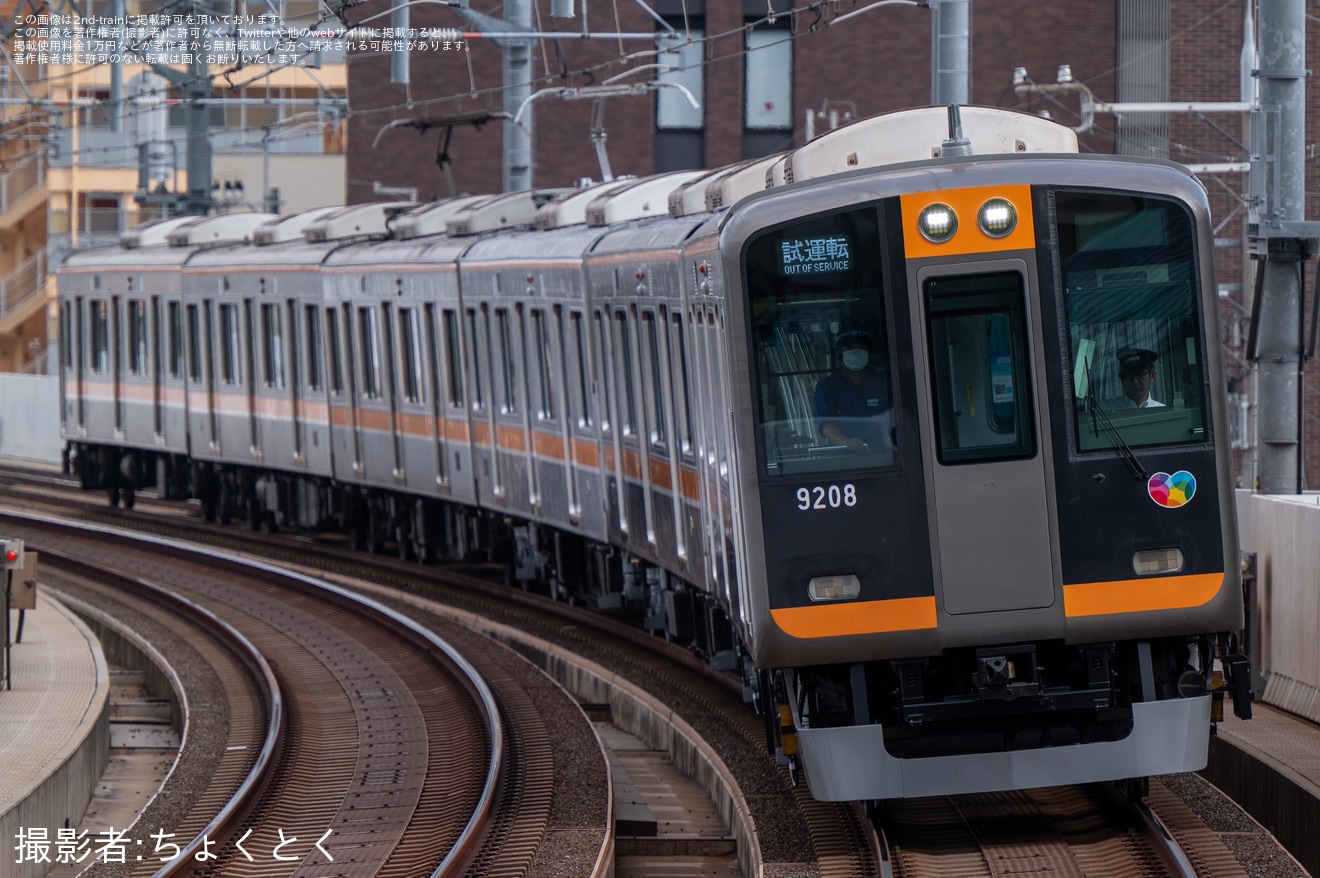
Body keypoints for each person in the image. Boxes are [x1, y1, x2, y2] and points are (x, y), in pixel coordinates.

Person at [814, 322, 891, 454]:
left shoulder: (884, 383)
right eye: (849, 349)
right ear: (840, 355)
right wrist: (845, 442)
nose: (856, 353)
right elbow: (825, 424)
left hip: (883, 458)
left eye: (861, 348)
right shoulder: (827, 386)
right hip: (843, 463)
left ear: (868, 352)